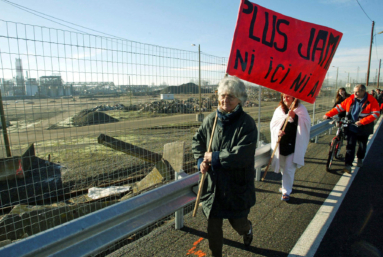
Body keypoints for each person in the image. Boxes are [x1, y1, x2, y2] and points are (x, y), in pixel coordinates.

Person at [192, 76, 257, 256]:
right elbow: (197, 141)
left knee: (238, 223)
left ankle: (247, 229)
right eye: (222, 95)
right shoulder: (211, 120)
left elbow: (242, 154)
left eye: (230, 96)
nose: (224, 100)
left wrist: (215, 157)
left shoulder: (247, 124)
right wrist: (200, 161)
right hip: (213, 186)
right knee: (213, 227)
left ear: (239, 100)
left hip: (235, 187)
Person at [323, 84, 380, 173]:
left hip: (364, 128)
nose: (354, 94)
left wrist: (362, 122)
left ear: (363, 92)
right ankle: (348, 165)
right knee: (350, 146)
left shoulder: (372, 100)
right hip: (351, 126)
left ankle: (360, 158)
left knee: (362, 145)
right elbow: (339, 107)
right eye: (354, 92)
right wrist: (328, 114)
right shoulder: (351, 99)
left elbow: (376, 114)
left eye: (356, 92)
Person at [270, 94, 311, 201]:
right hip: (281, 145)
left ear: (294, 98)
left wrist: (295, 117)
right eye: (284, 97)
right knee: (283, 167)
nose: (285, 99)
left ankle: (286, 191)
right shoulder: (279, 110)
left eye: (288, 97)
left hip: (293, 145)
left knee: (289, 169)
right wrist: (277, 131)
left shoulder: (301, 109)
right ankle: (286, 185)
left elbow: (306, 124)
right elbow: (273, 125)